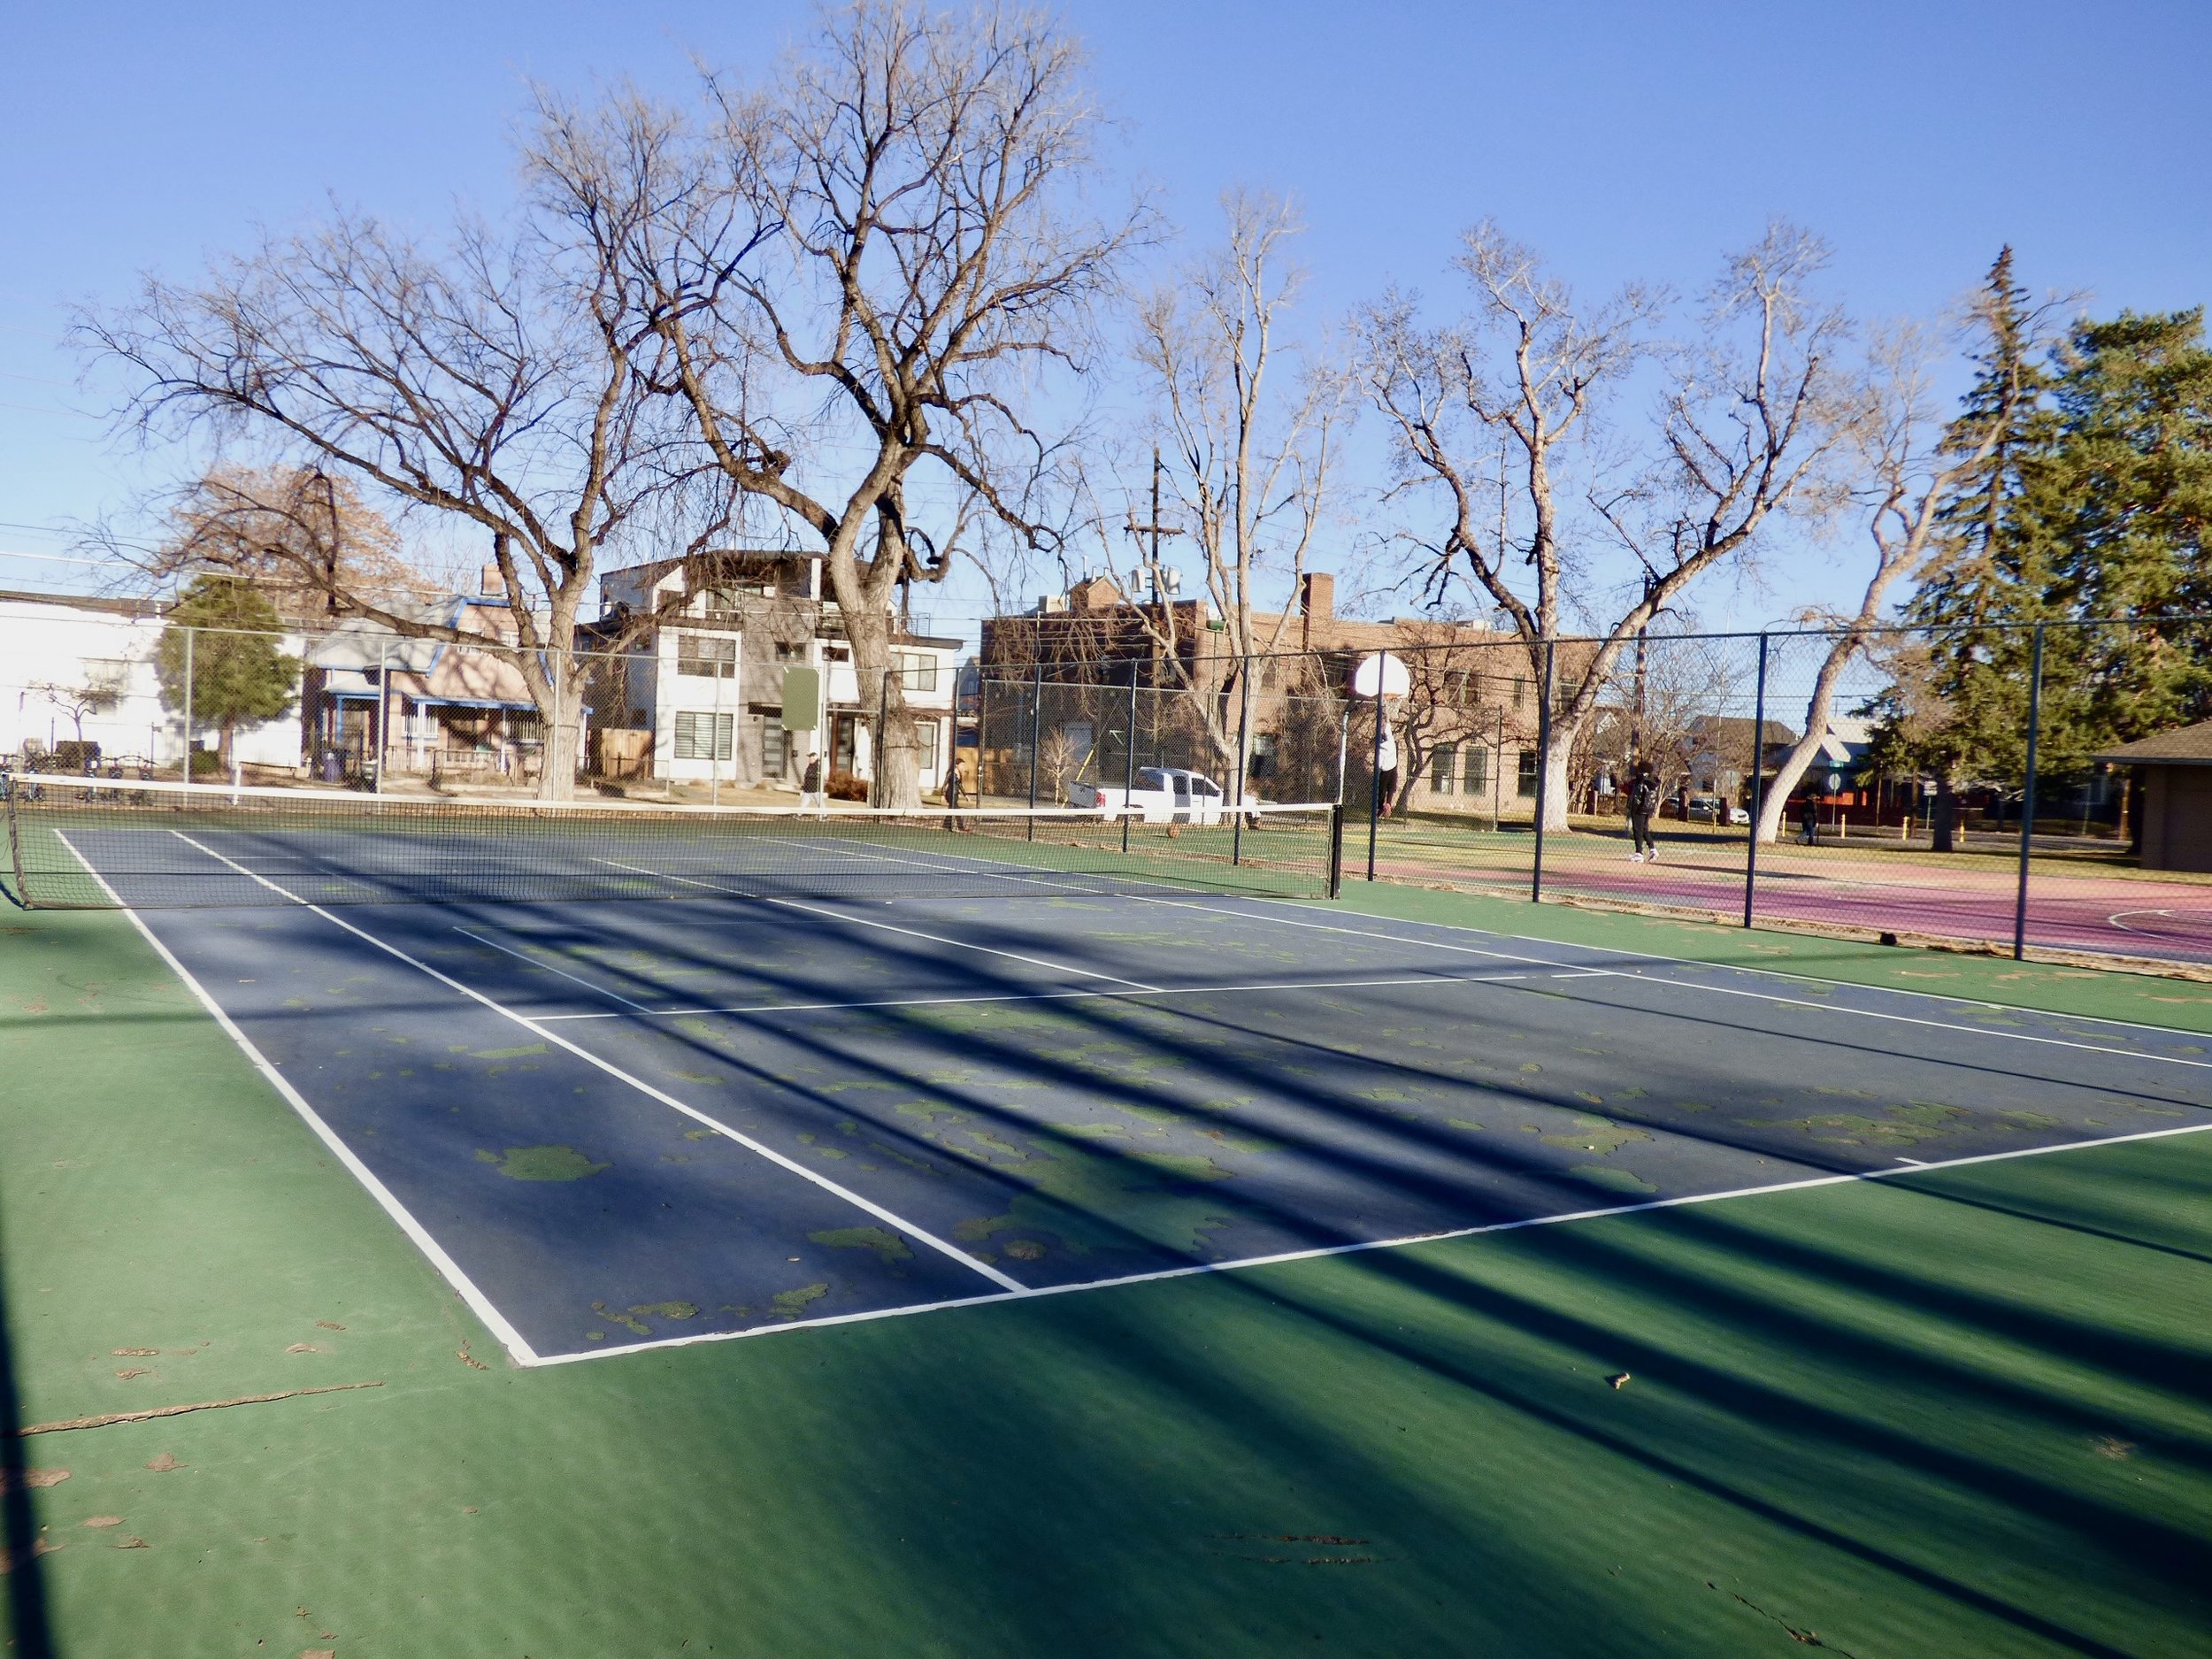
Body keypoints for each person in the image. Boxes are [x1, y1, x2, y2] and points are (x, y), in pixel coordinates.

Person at [1626, 761, 1660, 863]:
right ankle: (1653, 849)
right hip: (1648, 808)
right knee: (1644, 829)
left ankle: (1639, 853)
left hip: (1639, 808)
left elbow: (1637, 793)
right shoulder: (1651, 780)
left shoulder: (1640, 780)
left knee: (1638, 830)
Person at [942, 752, 972, 831]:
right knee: (956, 810)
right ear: (956, 765)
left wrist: (966, 795)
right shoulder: (951, 773)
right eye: (962, 765)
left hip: (955, 795)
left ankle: (946, 825)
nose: (963, 767)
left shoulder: (959, 774)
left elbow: (960, 786)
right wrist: (942, 795)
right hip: (950, 794)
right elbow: (945, 784)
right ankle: (961, 828)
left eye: (963, 765)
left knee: (951, 810)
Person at [799, 751, 827, 815]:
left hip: (815, 790)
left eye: (810, 757)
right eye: (809, 757)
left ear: (814, 758)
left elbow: (821, 776)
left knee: (820, 804)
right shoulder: (809, 766)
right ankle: (798, 814)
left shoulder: (818, 767)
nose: (809, 759)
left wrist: (811, 776)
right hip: (807, 790)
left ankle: (824, 815)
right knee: (803, 804)